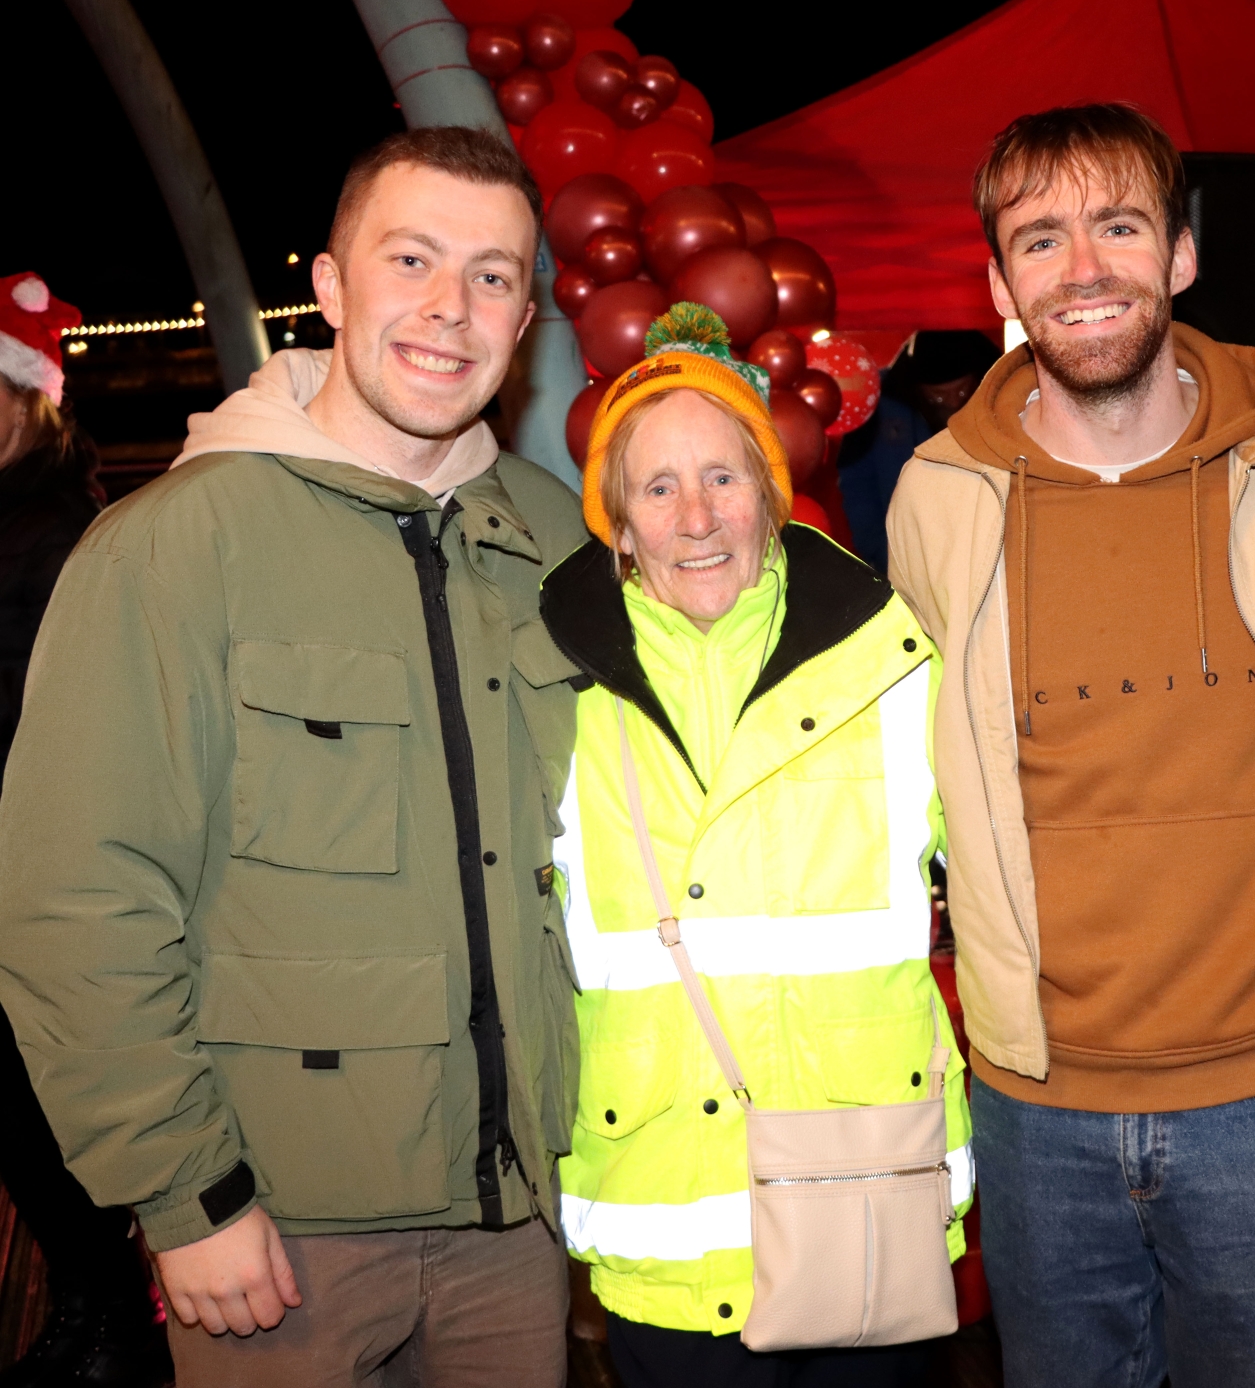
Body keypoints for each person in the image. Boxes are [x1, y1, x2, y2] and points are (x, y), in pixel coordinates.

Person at [0, 127, 587, 1388]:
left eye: (492, 275)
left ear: (527, 313)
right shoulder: (172, 547)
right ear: (328, 286)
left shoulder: (556, 540)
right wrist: (183, 1192)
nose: (451, 308)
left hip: (526, 1220)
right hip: (278, 1238)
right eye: (413, 258)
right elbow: (78, 897)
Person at [886, 103, 1255, 1387]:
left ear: (1179, 253)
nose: (1084, 269)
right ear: (1000, 281)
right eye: (1040, 239)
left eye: (1117, 226)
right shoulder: (937, 499)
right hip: (1033, 1100)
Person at [543, 303, 972, 1388]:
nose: (696, 516)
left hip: (861, 1200)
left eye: (724, 477)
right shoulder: (552, 690)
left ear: (771, 497)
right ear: (618, 524)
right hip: (666, 1224)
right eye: (657, 487)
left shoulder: (892, 656)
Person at [0, 275, 171, 1388]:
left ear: (30, 400)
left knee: (53, 1115)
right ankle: (89, 1301)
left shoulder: (66, 535)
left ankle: (116, 1319)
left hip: (43, 878)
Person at [839, 331, 999, 576]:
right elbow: (858, 487)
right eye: (938, 396)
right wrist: (886, 558)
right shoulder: (881, 403)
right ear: (916, 390)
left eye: (962, 392)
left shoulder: (1001, 403)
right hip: (900, 563)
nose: (952, 403)